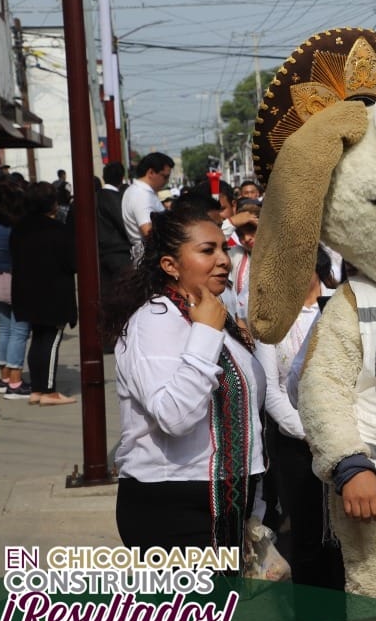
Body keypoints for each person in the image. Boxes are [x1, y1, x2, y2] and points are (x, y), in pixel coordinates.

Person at [104, 204, 265, 556]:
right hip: (173, 508)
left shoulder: (214, 316)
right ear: (170, 265)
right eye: (208, 250)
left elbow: (250, 415)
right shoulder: (153, 322)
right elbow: (174, 417)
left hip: (227, 504)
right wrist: (207, 332)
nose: (224, 260)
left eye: (224, 248)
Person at [255, 246, 344, 593]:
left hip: (342, 438)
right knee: (306, 536)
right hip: (295, 444)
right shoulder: (274, 318)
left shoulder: (339, 304)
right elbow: (271, 388)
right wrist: (308, 430)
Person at [10, 181, 77, 406]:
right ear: (52, 204)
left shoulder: (19, 228)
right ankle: (48, 391)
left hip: (26, 292)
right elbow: (73, 262)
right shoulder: (58, 230)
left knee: (37, 339)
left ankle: (37, 389)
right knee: (51, 340)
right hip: (54, 293)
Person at [0, 181, 31, 398]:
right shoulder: (17, 227)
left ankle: (4, 377)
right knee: (19, 330)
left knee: (4, 329)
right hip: (15, 281)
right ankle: (15, 384)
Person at [121, 152, 174, 263]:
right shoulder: (141, 195)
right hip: (151, 258)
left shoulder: (141, 192)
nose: (167, 181)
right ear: (151, 172)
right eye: (165, 177)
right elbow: (148, 231)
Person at [97, 161, 132, 304]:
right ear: (121, 177)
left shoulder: (95, 196)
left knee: (106, 296)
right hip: (119, 254)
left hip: (99, 253)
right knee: (122, 298)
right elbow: (123, 224)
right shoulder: (114, 198)